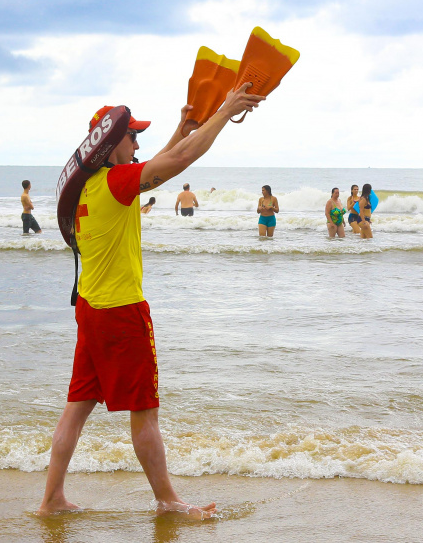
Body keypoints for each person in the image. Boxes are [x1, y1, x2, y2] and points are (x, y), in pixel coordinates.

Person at [37, 84, 264, 520]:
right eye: (132, 136)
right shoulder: (118, 183)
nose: (138, 143)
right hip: (122, 312)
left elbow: (158, 163)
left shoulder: (90, 186)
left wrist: (182, 128)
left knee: (77, 407)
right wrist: (227, 110)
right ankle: (168, 501)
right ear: (109, 142)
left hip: (90, 310)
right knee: (144, 412)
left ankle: (51, 499)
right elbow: (177, 164)